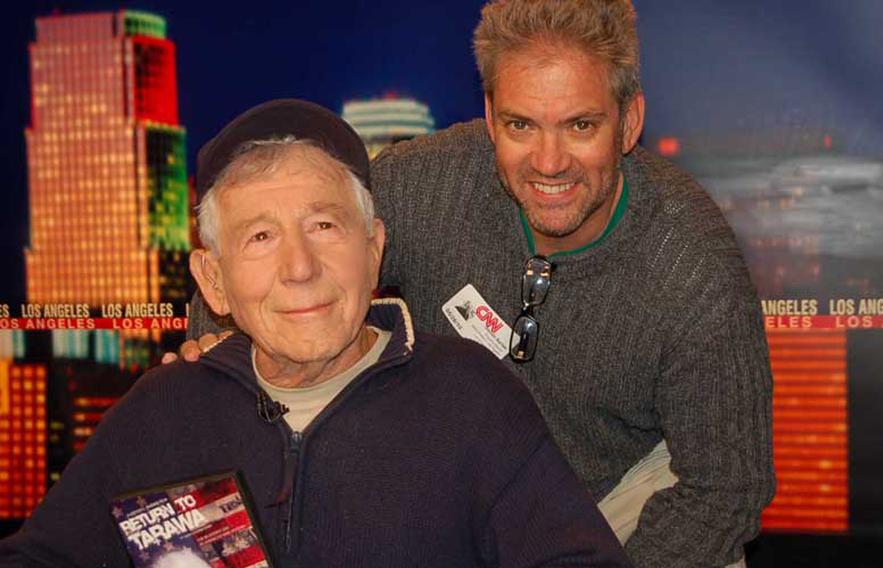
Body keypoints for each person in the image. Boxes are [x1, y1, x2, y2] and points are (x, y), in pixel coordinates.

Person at [182, 1, 776, 566]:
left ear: (628, 123)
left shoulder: (692, 259)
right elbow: (290, 247)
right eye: (521, 124)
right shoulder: (426, 181)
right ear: (490, 117)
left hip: (609, 498)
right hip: (440, 487)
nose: (549, 162)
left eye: (580, 126)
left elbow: (726, 486)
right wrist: (219, 337)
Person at [0, 99, 631, 567]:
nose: (299, 268)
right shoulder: (163, 411)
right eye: (261, 237)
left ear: (375, 251)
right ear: (213, 283)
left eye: (325, 226)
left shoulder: (467, 395)